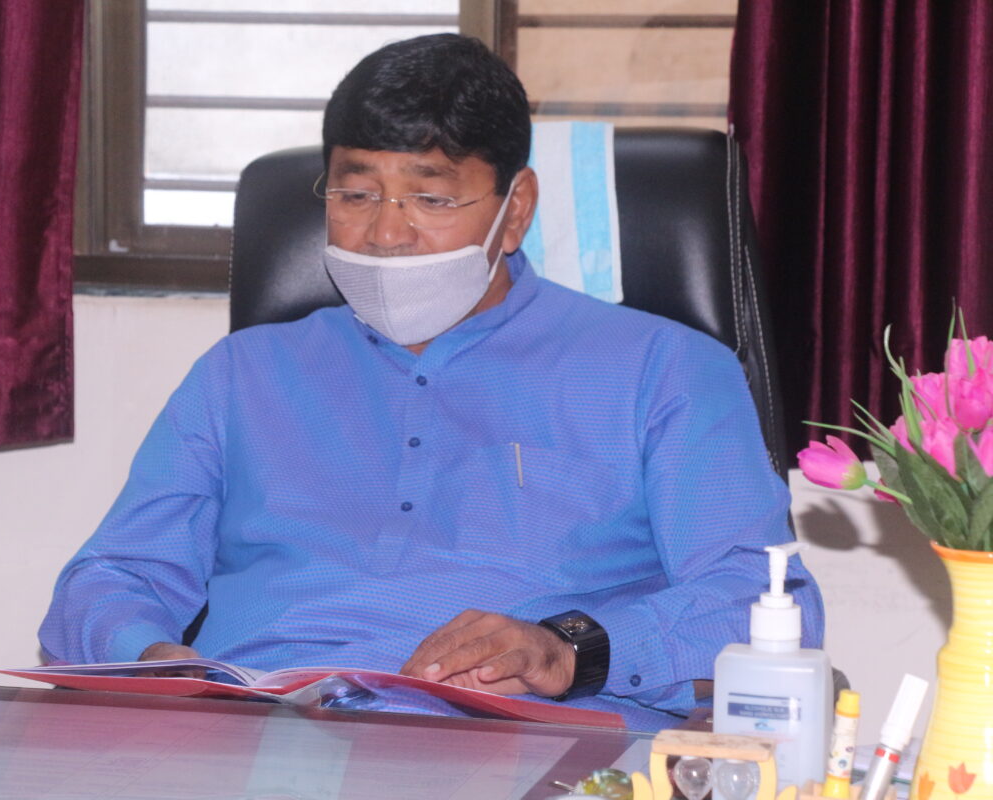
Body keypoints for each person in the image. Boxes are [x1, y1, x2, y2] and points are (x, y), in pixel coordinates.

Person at [40, 33, 823, 727]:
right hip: (260, 741)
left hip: (520, 748)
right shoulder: (240, 375)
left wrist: (567, 648)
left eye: (431, 197)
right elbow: (111, 577)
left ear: (516, 210)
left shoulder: (666, 370)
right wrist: (151, 659)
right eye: (355, 193)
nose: (386, 233)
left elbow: (760, 602)